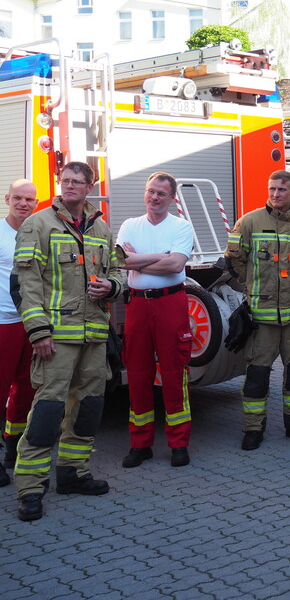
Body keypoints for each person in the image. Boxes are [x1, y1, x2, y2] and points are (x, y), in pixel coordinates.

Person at [11, 161, 124, 521]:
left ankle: (73, 473)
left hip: (94, 337)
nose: (70, 186)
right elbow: (25, 286)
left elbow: (116, 272)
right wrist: (39, 332)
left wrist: (112, 286)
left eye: (78, 181)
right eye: (65, 181)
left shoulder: (101, 228)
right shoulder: (39, 224)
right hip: (56, 340)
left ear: (91, 186)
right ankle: (30, 487)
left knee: (88, 408)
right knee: (47, 412)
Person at [224, 170, 290, 451]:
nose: (275, 194)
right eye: (272, 189)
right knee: (257, 376)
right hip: (261, 318)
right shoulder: (250, 221)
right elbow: (233, 261)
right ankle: (253, 429)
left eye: (282, 189)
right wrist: (253, 285)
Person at [116, 173, 195, 469]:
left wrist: (139, 258)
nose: (155, 197)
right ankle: (140, 444)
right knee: (137, 373)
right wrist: (158, 256)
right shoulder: (129, 225)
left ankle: (179, 443)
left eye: (162, 193)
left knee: (174, 372)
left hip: (170, 303)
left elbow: (176, 264)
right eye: (151, 191)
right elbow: (120, 260)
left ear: (172, 198)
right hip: (137, 304)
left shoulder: (181, 226)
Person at [0, 180, 38, 484]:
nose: (23, 203)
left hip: (32, 322)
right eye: (18, 198)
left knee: (27, 388)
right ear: (7, 199)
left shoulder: (38, 234)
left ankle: (14, 447)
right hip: (4, 322)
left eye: (29, 199)